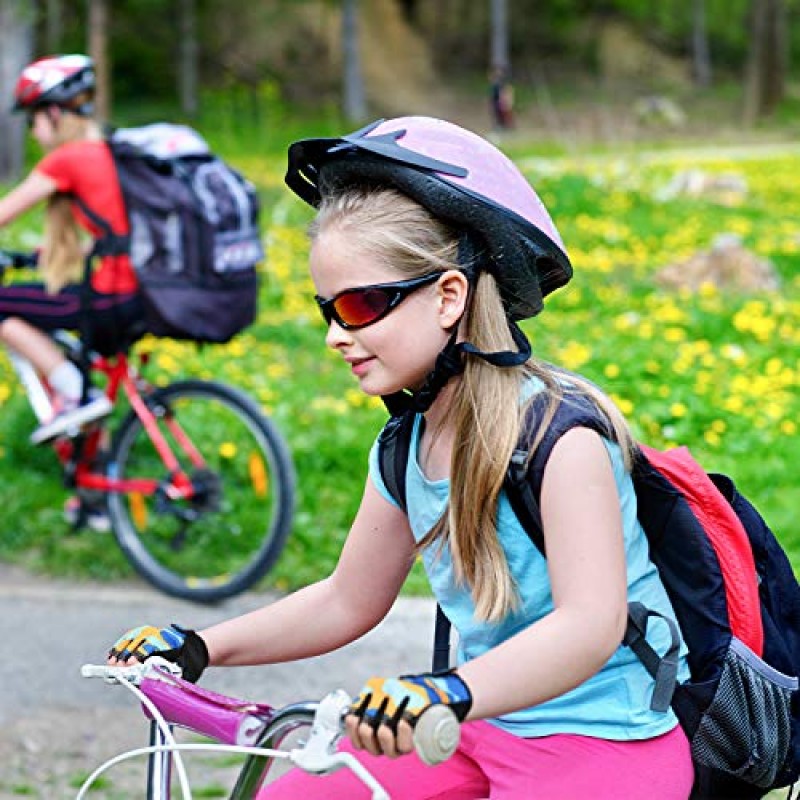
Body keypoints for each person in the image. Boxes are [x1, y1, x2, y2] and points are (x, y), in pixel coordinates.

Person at [107, 117, 694, 798]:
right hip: (483, 724)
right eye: (327, 309)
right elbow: (345, 599)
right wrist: (202, 645)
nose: (335, 336)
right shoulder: (405, 447)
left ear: (449, 296)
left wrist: (448, 689)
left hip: (605, 741)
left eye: (359, 305)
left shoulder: (559, 439)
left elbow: (588, 629)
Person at [0, 54, 144, 451]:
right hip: (143, 291)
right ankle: (95, 500)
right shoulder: (110, 148)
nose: (32, 132)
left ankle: (74, 391)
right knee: (67, 340)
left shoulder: (67, 157)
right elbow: (121, 231)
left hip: (112, 296)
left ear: (52, 113)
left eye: (32, 120)